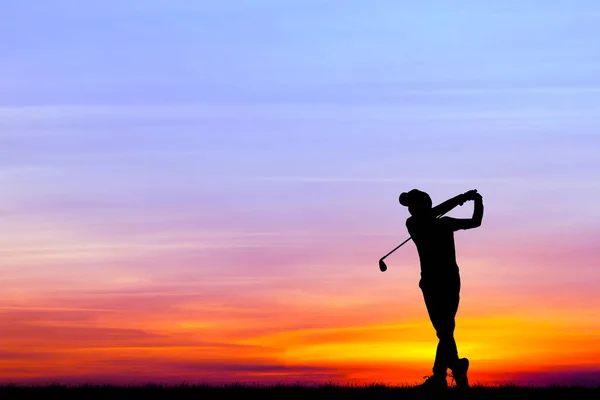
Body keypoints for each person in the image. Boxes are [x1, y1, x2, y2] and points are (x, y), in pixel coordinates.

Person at [398, 188, 484, 390]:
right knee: (445, 331)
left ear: (422, 204)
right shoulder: (413, 223)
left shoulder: (445, 223)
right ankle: (456, 367)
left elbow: (475, 222)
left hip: (448, 281)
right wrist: (463, 198)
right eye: (408, 205)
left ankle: (440, 375)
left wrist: (477, 202)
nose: (409, 209)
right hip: (429, 283)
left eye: (412, 204)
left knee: (445, 329)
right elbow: (434, 213)